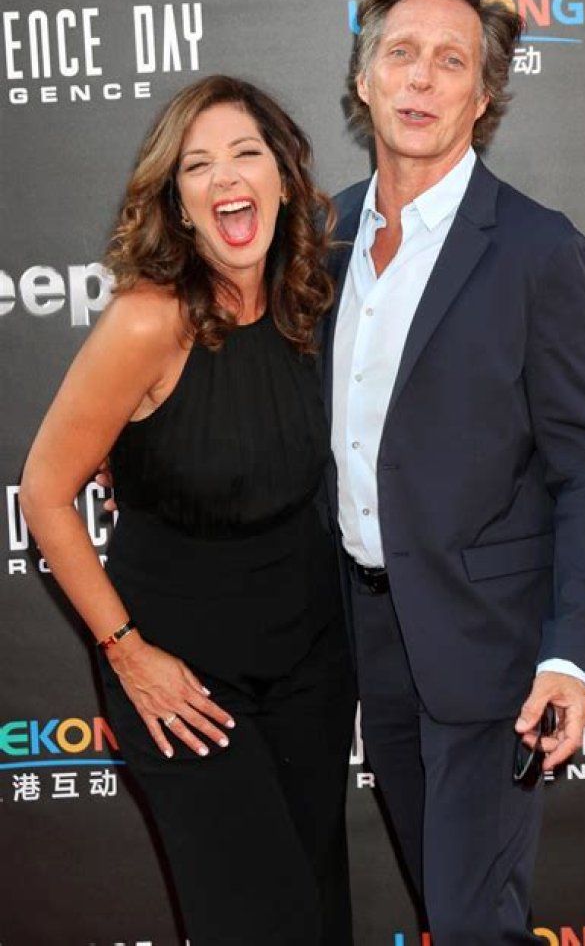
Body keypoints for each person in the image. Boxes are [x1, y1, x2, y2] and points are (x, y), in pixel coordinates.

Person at [324, 0, 585, 945]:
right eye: (400, 53)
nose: (421, 78)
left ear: (483, 95)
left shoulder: (537, 250)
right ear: (364, 76)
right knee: (449, 906)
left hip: (491, 648)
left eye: (450, 61)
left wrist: (571, 655)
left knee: (467, 923)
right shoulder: (320, 237)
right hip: (363, 636)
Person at [19, 75, 356, 946]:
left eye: (246, 153)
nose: (225, 177)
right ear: (178, 201)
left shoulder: (312, 296)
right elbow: (45, 492)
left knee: (319, 915)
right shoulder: (148, 321)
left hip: (311, 666)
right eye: (197, 166)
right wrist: (128, 655)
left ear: (283, 176)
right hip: (183, 680)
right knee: (261, 925)